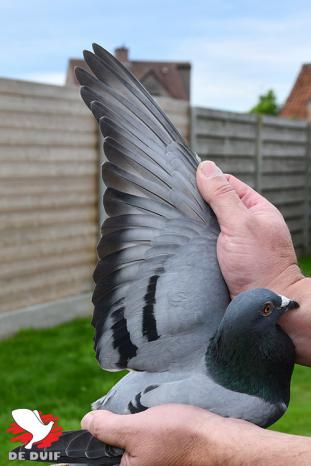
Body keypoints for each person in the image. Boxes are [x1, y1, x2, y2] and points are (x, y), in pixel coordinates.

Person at [81, 161, 311, 466]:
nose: (285, 302)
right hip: (127, 426)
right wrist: (283, 279)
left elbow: (193, 444)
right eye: (271, 307)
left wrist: (209, 451)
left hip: (143, 413)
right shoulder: (262, 405)